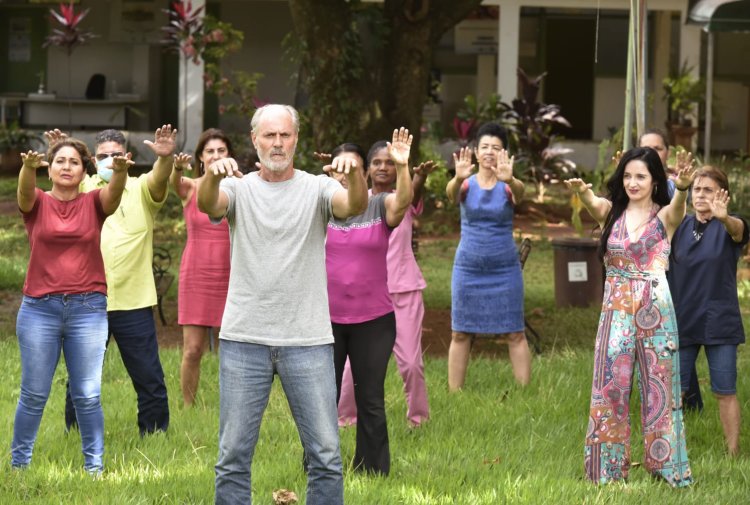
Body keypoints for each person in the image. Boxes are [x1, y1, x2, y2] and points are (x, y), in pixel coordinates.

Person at [197, 104, 368, 504]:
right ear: (254, 140)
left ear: (296, 140)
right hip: (244, 339)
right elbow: (210, 205)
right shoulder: (239, 187)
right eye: (270, 135)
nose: (278, 143)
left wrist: (355, 175)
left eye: (285, 135)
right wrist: (210, 174)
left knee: (325, 455)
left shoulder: (317, 187)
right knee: (232, 456)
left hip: (306, 339)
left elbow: (354, 206)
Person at [565, 147, 696, 487]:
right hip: (616, 310)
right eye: (627, 176)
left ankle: (667, 471)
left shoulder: (665, 215)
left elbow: (679, 207)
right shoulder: (611, 212)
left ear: (654, 181)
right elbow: (595, 203)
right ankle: (605, 473)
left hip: (656, 308)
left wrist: (681, 188)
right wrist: (582, 191)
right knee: (610, 386)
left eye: (641, 176)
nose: (633, 182)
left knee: (660, 392)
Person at [12, 139, 131, 473]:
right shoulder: (36, 202)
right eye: (59, 161)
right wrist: (26, 168)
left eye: (74, 162)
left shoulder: (94, 202)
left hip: (87, 309)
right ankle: (19, 465)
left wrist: (118, 172)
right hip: (39, 309)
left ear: (84, 170)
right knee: (34, 394)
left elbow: (114, 194)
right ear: (48, 169)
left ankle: (94, 468)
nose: (66, 166)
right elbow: (23, 193)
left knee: (88, 395)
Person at [58, 126, 176, 435]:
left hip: (133, 302)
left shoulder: (141, 189)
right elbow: (59, 185)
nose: (110, 161)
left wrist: (164, 158)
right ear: (94, 162)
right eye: (103, 156)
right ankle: (75, 434)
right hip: (87, 301)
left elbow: (160, 178)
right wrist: (60, 154)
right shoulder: (83, 189)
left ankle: (155, 436)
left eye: (116, 155)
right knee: (81, 377)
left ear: (129, 158)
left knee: (149, 376)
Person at [325, 132, 414, 476]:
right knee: (321, 399)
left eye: (354, 169)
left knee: (370, 398)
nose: (346, 176)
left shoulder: (379, 205)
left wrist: (403, 166)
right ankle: (320, 464)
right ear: (330, 173)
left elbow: (403, 201)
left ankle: (372, 469)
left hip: (374, 320)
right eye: (340, 169)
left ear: (364, 174)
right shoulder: (319, 208)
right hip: (324, 321)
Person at [337, 143, 435, 428]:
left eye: (389, 162)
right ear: (367, 169)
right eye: (377, 162)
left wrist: (418, 177)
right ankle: (346, 418)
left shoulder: (400, 199)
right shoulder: (356, 201)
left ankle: (419, 420)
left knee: (411, 363)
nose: (383, 167)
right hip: (365, 293)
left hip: (404, 291)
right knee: (351, 366)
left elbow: (410, 195)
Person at [667, 165, 748, 456]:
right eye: (697, 189)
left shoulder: (730, 226)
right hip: (682, 320)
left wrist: (725, 217)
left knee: (724, 390)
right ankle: (670, 451)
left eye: (708, 190)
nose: (701, 195)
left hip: (719, 322)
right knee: (674, 393)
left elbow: (738, 231)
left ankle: (733, 452)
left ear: (722, 194)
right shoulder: (678, 226)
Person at [444, 122, 531, 391]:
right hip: (468, 268)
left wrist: (511, 179)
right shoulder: (466, 184)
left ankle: (524, 393)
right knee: (460, 332)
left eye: (496, 147)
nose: (490, 152)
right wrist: (458, 177)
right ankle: (454, 393)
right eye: (485, 147)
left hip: (504, 268)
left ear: (504, 152)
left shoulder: (507, 185)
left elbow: (520, 195)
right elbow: (450, 196)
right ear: (476, 151)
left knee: (515, 332)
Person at [171, 129, 237, 406]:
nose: (216, 156)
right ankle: (189, 406)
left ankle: (233, 405)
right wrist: (174, 167)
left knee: (233, 350)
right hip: (196, 273)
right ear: (201, 157)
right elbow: (171, 181)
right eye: (210, 151)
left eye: (221, 151)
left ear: (229, 155)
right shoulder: (190, 186)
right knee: (193, 349)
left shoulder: (239, 187)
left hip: (234, 273)